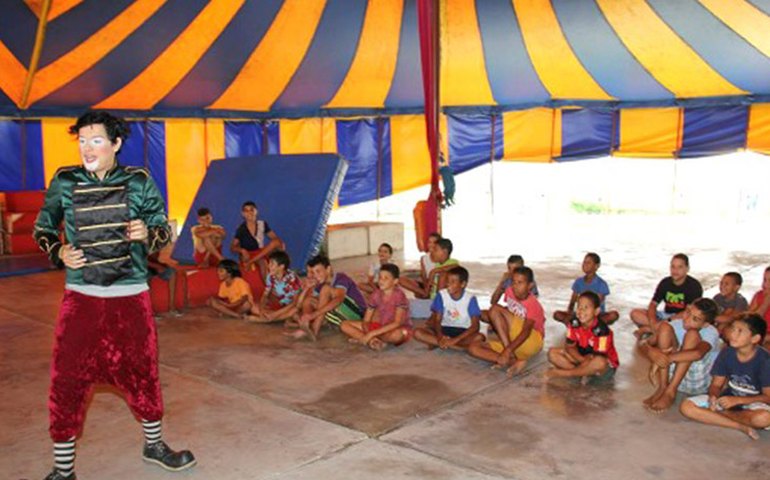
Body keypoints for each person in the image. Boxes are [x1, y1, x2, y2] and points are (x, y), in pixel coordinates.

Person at [33, 111, 195, 480]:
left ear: (116, 144)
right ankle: (63, 470)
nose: (87, 149)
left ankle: (154, 445)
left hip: (130, 295)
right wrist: (57, 250)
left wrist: (145, 235)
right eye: (82, 141)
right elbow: (42, 226)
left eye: (96, 141)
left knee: (143, 372)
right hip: (81, 298)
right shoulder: (64, 180)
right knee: (67, 379)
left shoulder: (138, 181)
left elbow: (162, 230)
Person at [679, 314, 770, 440]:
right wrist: (713, 396)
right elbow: (716, 385)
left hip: (754, 403)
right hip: (728, 399)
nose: (733, 334)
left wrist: (738, 401)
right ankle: (739, 426)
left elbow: (767, 397)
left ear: (755, 338)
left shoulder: (765, 360)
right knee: (686, 407)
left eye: (740, 331)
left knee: (764, 418)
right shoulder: (727, 353)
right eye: (733, 329)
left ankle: (718, 416)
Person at [639, 298, 721, 412]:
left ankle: (670, 392)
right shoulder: (677, 324)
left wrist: (665, 358)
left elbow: (698, 354)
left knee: (692, 334)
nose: (687, 319)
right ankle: (663, 387)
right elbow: (644, 343)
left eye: (695, 319)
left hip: (697, 381)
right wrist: (652, 353)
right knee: (664, 327)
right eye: (688, 312)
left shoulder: (711, 331)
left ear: (706, 324)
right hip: (673, 374)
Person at [469, 266, 545, 376]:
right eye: (513, 282)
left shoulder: (533, 304)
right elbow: (502, 305)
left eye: (520, 282)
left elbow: (526, 332)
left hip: (531, 342)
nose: (515, 286)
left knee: (495, 309)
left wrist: (507, 350)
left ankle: (509, 354)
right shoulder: (509, 291)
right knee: (473, 348)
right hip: (514, 344)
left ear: (530, 286)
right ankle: (514, 362)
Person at [544, 291, 619, 383]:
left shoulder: (602, 331)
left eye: (586, 307)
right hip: (582, 359)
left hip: (602, 367)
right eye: (579, 307)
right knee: (552, 353)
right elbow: (570, 347)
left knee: (599, 362)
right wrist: (581, 360)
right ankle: (580, 373)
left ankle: (565, 373)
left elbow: (597, 357)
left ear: (596, 311)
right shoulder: (574, 323)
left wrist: (584, 361)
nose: (581, 310)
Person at [288, 254, 366, 341]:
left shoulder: (341, 278)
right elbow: (299, 305)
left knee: (325, 290)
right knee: (308, 301)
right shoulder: (320, 285)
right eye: (314, 273)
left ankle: (314, 330)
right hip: (341, 314)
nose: (316, 276)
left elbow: (339, 299)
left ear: (328, 269)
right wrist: (306, 288)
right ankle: (307, 327)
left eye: (318, 271)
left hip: (358, 314)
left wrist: (313, 315)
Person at [341, 263, 413, 350]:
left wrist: (371, 334)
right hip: (380, 326)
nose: (381, 281)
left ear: (395, 281)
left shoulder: (399, 295)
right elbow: (366, 320)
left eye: (386, 278)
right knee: (344, 325)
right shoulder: (376, 294)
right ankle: (373, 341)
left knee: (397, 335)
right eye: (380, 277)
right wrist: (370, 335)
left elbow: (397, 323)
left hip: (397, 328)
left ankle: (364, 338)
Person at [630, 253, 703, 337]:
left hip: (682, 319)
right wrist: (653, 321)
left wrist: (667, 321)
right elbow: (653, 304)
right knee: (635, 313)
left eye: (680, 267)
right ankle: (657, 329)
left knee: (690, 325)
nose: (675, 270)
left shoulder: (694, 286)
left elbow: (690, 311)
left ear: (687, 268)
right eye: (673, 266)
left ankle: (649, 329)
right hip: (665, 315)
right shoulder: (665, 283)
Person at [414, 266, 483, 350]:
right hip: (444, 328)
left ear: (463, 284)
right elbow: (437, 320)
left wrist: (455, 339)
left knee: (479, 337)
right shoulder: (441, 295)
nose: (448, 284)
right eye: (447, 281)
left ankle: (445, 344)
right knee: (418, 332)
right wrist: (440, 337)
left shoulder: (470, 299)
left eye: (453, 282)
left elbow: (475, 326)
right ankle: (457, 347)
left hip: (463, 331)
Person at [553, 252, 619, 325]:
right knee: (557, 314)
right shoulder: (578, 282)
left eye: (588, 263)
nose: (585, 265)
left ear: (596, 266)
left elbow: (597, 304)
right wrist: (569, 313)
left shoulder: (601, 284)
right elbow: (572, 301)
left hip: (596, 315)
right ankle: (577, 326)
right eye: (584, 262)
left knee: (614, 315)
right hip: (580, 314)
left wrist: (588, 316)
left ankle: (587, 325)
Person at [246, 250, 302, 323]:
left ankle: (265, 320)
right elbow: (265, 295)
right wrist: (262, 308)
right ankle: (275, 318)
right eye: (269, 263)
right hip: (282, 306)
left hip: (294, 306)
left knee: (294, 312)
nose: (269, 266)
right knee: (254, 308)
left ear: (281, 266)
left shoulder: (293, 279)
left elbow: (295, 303)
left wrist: (275, 314)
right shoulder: (270, 276)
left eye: (272, 264)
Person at [230, 201, 283, 276]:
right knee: (262, 263)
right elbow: (232, 247)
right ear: (243, 214)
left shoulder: (262, 224)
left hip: (261, 252)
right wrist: (242, 250)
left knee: (277, 243)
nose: (249, 213)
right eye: (246, 211)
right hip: (249, 255)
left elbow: (275, 238)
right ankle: (268, 286)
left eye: (252, 210)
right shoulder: (241, 229)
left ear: (256, 211)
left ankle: (252, 262)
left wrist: (280, 245)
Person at [147, 243, 182, 317]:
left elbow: (155, 257)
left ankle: (171, 308)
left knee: (172, 272)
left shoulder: (156, 239)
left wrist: (161, 265)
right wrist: (158, 266)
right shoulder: (139, 239)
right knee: (145, 278)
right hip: (143, 267)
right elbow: (139, 260)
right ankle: (150, 312)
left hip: (154, 264)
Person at [748, 266, 770, 347]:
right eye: (764, 280)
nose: (766, 284)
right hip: (757, 332)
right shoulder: (759, 295)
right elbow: (750, 318)